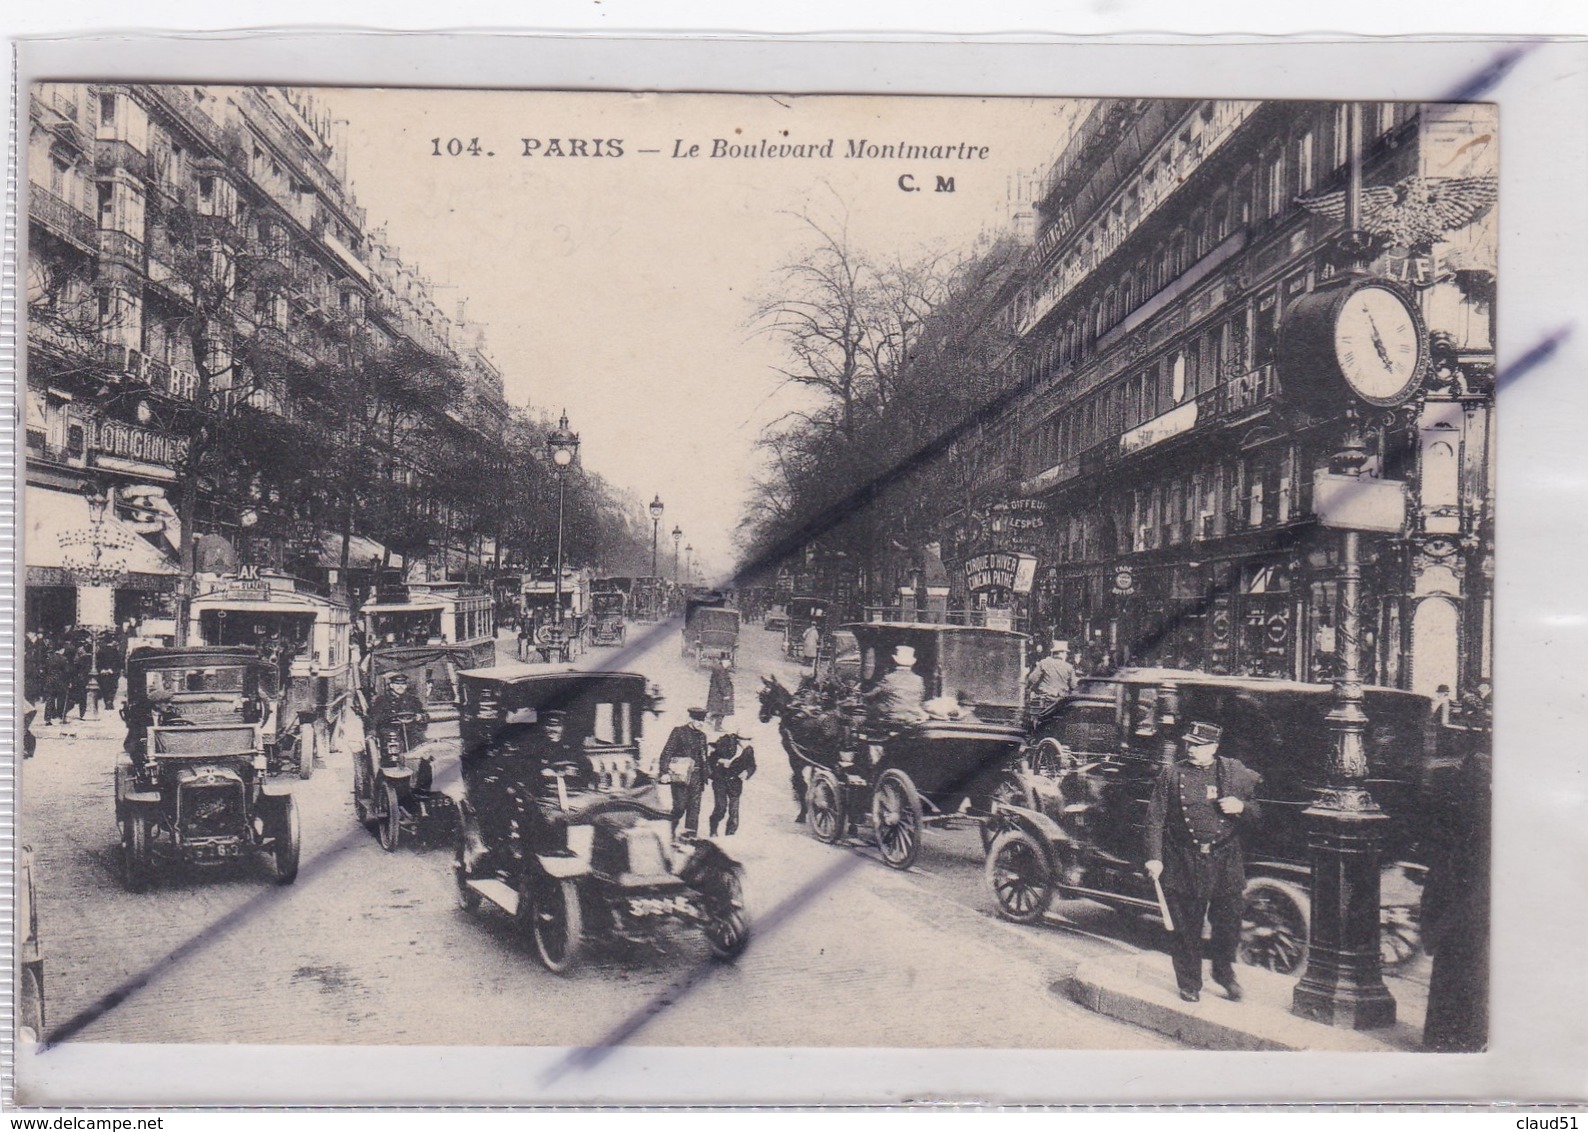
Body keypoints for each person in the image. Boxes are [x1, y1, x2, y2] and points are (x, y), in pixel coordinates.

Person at [1144, 721, 1263, 1003]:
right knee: (1186, 928)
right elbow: (1155, 819)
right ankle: (1189, 982)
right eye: (1189, 744)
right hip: (1184, 859)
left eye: (1198, 745)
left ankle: (1224, 974)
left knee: (1228, 924)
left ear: (1214, 748)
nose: (1191, 749)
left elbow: (1260, 812)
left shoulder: (1234, 771)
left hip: (1225, 859)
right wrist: (1154, 858)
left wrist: (1242, 807)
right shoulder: (1171, 775)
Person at [659, 708, 711, 837]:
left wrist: (708, 773)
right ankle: (669, 833)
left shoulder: (702, 736)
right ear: (691, 719)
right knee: (679, 808)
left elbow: (704, 757)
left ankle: (690, 839)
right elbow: (667, 752)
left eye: (702, 721)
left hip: (697, 777)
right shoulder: (679, 732)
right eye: (698, 720)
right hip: (680, 777)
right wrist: (664, 771)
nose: (701, 724)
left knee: (694, 810)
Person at [707, 730, 758, 837]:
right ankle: (713, 828)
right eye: (745, 740)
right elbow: (711, 758)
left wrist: (747, 772)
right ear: (738, 739)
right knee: (721, 808)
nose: (748, 743)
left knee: (734, 812)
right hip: (720, 780)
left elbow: (752, 765)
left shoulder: (748, 749)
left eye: (750, 740)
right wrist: (721, 761)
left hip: (735, 783)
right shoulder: (724, 742)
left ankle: (730, 835)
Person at [865, 644, 929, 727]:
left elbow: (871, 695)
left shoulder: (889, 678)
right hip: (912, 717)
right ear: (912, 663)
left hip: (893, 717)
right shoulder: (919, 679)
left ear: (894, 661)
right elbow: (920, 698)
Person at [368, 672, 429, 751]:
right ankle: (395, 762)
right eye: (397, 684)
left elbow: (424, 714)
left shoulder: (413, 700)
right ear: (391, 685)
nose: (400, 686)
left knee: (420, 741)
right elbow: (374, 717)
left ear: (406, 686)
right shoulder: (382, 700)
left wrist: (420, 717)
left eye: (403, 684)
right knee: (394, 743)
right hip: (390, 728)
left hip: (410, 728)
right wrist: (371, 731)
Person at [1026, 639, 1077, 706]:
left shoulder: (1043, 663)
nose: (1066, 655)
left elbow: (1032, 679)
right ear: (1062, 653)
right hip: (1061, 700)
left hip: (1045, 699)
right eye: (1066, 653)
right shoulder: (1069, 667)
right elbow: (1074, 685)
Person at [706, 657, 735, 731]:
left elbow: (711, 680)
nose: (729, 663)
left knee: (715, 708)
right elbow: (722, 683)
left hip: (715, 693)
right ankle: (717, 726)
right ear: (724, 661)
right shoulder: (721, 670)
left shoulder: (718, 668)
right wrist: (726, 694)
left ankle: (709, 718)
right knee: (722, 710)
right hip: (720, 694)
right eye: (729, 661)